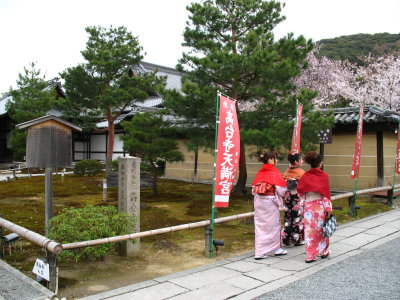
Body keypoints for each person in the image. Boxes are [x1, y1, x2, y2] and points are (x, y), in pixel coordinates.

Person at [297, 151, 332, 263]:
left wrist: (302, 207)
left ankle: (310, 255)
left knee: (310, 232)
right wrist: (328, 208)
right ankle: (323, 251)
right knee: (322, 230)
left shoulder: (305, 176)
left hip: (308, 207)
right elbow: (325, 194)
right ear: (320, 163)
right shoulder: (324, 176)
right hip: (320, 207)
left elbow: (301, 193)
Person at [252, 151, 287, 260]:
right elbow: (281, 190)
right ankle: (276, 249)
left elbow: (253, 189)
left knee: (260, 226)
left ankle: (260, 251)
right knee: (273, 225)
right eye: (275, 158)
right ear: (270, 160)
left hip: (259, 202)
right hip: (270, 202)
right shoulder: (274, 172)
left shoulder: (260, 172)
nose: (276, 160)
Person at [282, 153, 305, 246]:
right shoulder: (301, 172)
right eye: (301, 159)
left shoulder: (287, 171)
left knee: (289, 217)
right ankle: (296, 239)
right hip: (296, 197)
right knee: (297, 218)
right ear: (296, 162)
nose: (302, 161)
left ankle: (286, 239)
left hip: (288, 197)